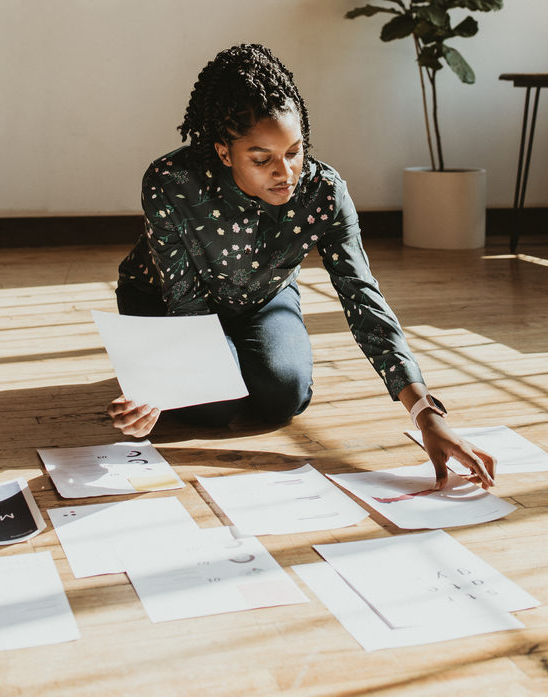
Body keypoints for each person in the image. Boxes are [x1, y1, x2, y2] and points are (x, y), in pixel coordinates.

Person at [108, 43, 495, 490]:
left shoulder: (325, 193)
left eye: (294, 152)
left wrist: (425, 413)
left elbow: (361, 296)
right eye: (262, 158)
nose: (285, 172)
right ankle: (186, 369)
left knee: (282, 396)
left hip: (260, 298)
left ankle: (232, 360)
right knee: (211, 410)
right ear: (224, 152)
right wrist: (165, 385)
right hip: (164, 299)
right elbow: (184, 301)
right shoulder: (170, 182)